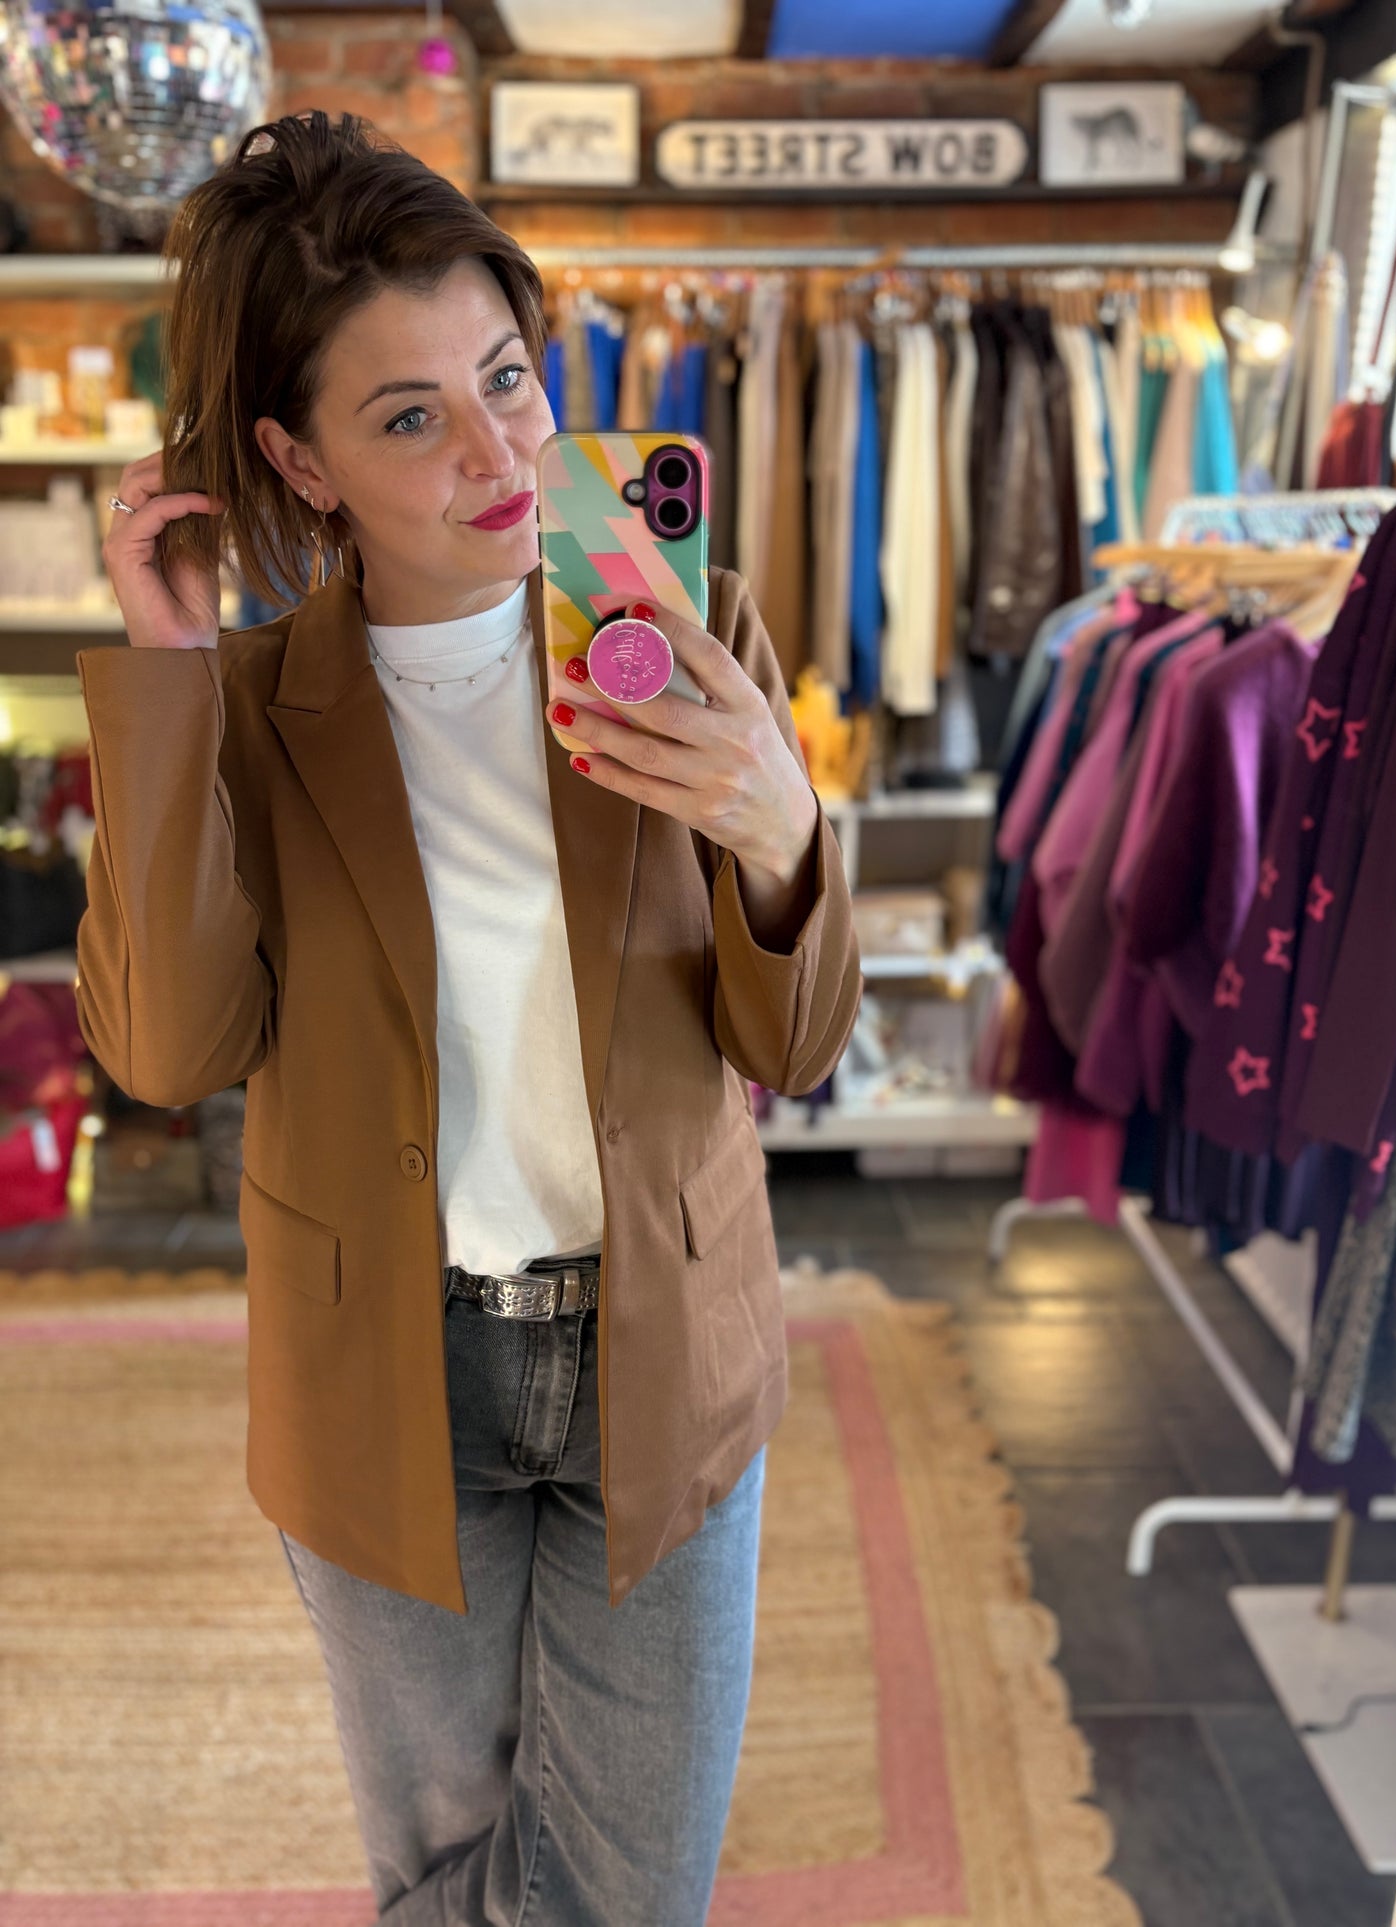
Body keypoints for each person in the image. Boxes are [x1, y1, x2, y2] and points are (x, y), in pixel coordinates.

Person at [74, 111, 861, 1926]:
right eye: (409, 415)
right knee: (434, 1863)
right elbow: (173, 1051)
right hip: (382, 1366)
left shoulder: (684, 626)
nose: (502, 451)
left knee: (627, 1890)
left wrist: (778, 824)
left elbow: (794, 1045)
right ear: (300, 459)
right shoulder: (258, 707)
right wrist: (174, 679)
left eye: (505, 377)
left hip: (662, 1350)